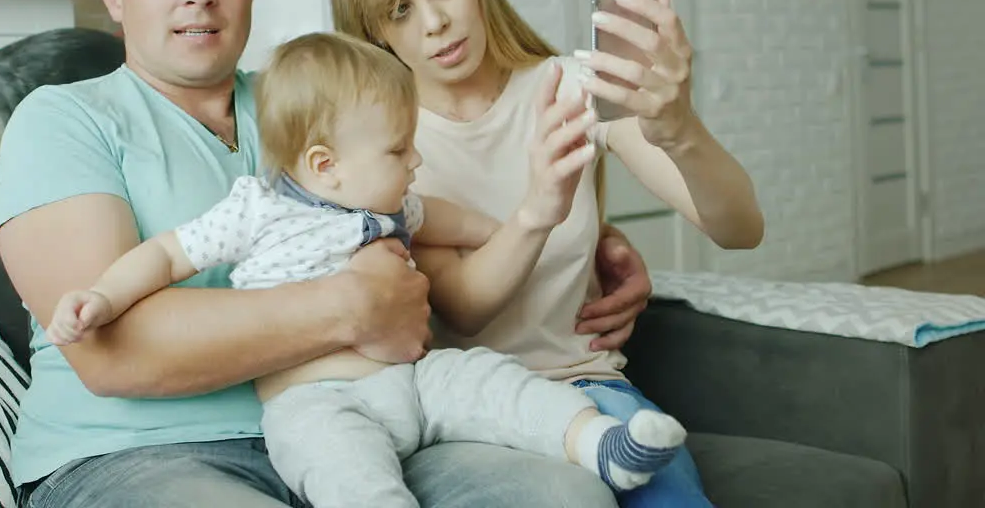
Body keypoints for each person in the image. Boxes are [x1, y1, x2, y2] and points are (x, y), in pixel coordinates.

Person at [0, 0, 654, 508]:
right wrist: (350, 305)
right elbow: (114, 353)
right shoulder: (64, 119)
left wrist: (590, 240)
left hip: (371, 417)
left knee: (556, 495)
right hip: (141, 454)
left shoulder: (311, 97)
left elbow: (430, 194)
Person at [43, 31, 689, 508]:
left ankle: (598, 442)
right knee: (344, 473)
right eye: (399, 148)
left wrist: (550, 230)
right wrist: (102, 295)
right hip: (319, 401)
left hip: (412, 381)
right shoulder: (256, 209)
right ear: (326, 165)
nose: (415, 160)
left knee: (489, 379)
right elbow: (166, 254)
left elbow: (447, 217)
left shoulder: (389, 198)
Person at [326, 0, 765, 508]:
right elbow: (466, 308)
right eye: (399, 10)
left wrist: (680, 128)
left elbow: (739, 228)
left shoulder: (572, 86)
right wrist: (539, 208)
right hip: (466, 412)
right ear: (374, 33)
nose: (435, 21)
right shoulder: (386, 147)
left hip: (588, 388)